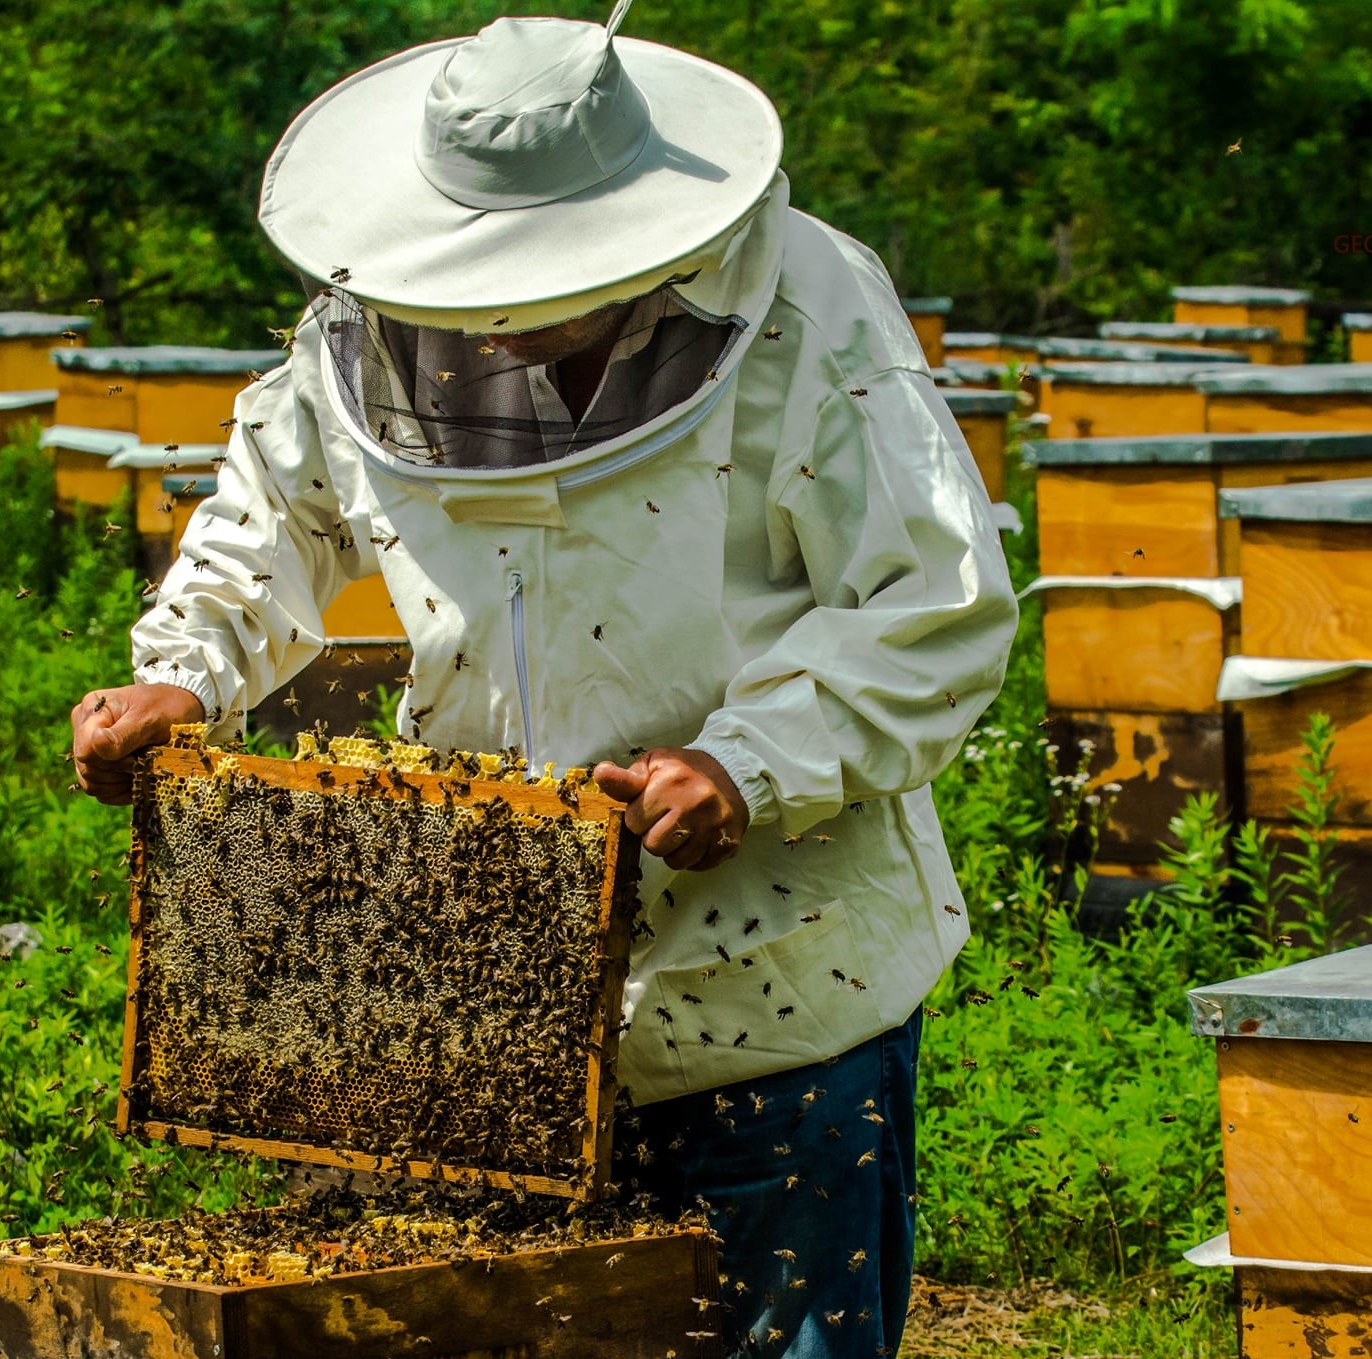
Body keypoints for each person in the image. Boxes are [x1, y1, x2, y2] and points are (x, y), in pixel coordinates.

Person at [71, 5, 1017, 1355]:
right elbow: (272, 514)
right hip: (479, 969)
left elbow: (934, 599)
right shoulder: (368, 320)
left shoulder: (805, 304)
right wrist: (183, 674)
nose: (503, 331)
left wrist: (749, 762)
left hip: (773, 970)